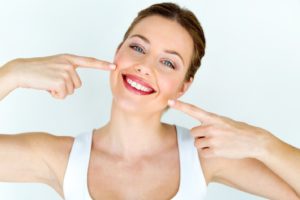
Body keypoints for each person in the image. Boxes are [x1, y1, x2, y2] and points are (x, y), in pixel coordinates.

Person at [0, 2, 299, 200]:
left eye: (168, 63)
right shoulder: (62, 158)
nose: (145, 66)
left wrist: (264, 143)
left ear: (183, 86)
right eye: (138, 48)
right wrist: (11, 74)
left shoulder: (203, 155)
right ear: (117, 53)